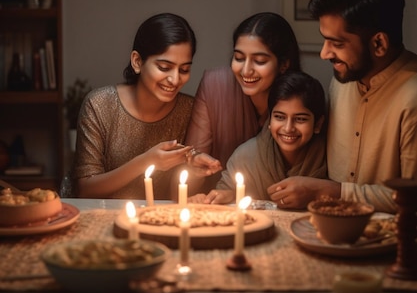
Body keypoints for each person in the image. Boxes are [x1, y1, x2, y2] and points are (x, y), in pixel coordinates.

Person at [268, 0, 417, 213]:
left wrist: (329, 191)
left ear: (378, 43)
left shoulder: (411, 98)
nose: (324, 53)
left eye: (337, 43)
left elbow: (412, 199)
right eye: (325, 40)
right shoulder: (341, 81)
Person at [71, 13, 219, 200]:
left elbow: (178, 196)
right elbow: (85, 190)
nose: (175, 79)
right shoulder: (99, 104)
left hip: (158, 220)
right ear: (137, 61)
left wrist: (193, 168)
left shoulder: (190, 109)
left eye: (184, 70)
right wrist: (146, 162)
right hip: (98, 216)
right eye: (164, 67)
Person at [185, 12, 301, 193]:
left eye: (260, 61)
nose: (246, 70)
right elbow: (186, 182)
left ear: (284, 64)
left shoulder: (300, 98)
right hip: (219, 206)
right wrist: (194, 165)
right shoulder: (215, 85)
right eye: (239, 58)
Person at [193, 71, 326, 205]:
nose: (288, 128)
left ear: (318, 124)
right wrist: (228, 195)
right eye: (279, 117)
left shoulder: (330, 160)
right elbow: (225, 193)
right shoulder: (245, 157)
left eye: (300, 119)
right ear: (269, 120)